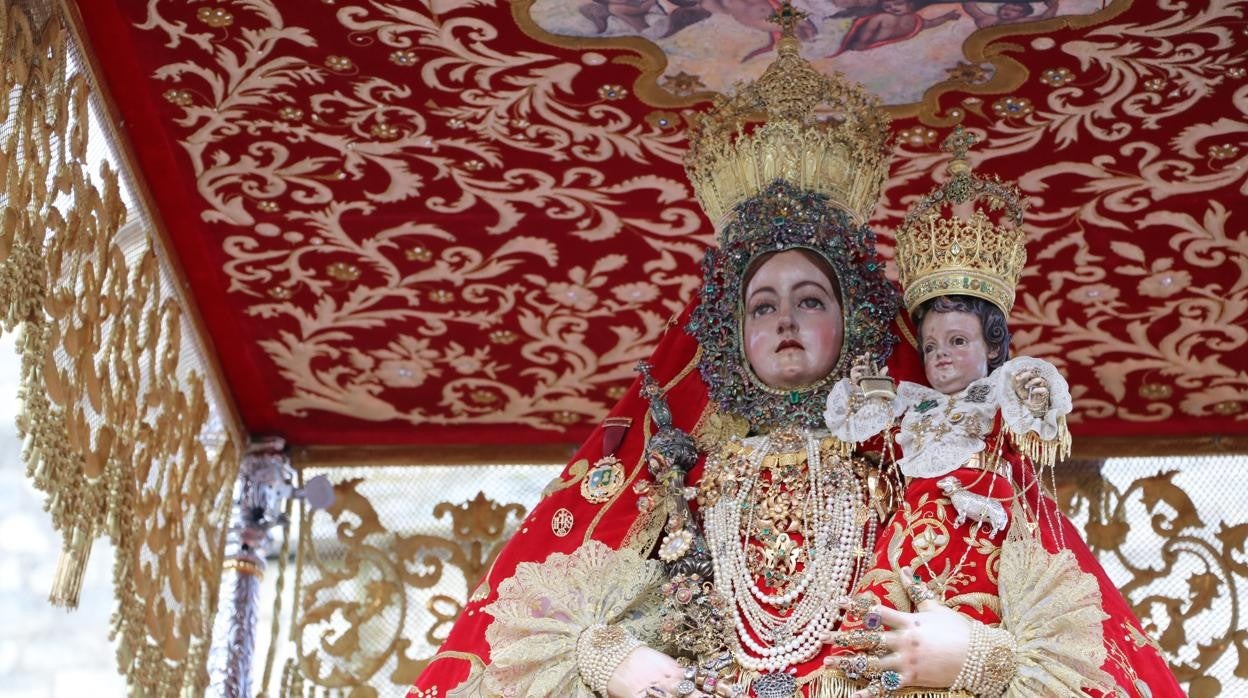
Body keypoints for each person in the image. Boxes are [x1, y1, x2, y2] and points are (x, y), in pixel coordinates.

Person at [407, 14, 1181, 698]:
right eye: (762, 304)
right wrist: (607, 655)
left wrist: (978, 656)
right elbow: (546, 620)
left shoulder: (927, 456)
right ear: (726, 331)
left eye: (811, 300)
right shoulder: (680, 470)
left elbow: (1078, 646)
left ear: (854, 321)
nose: (785, 321)